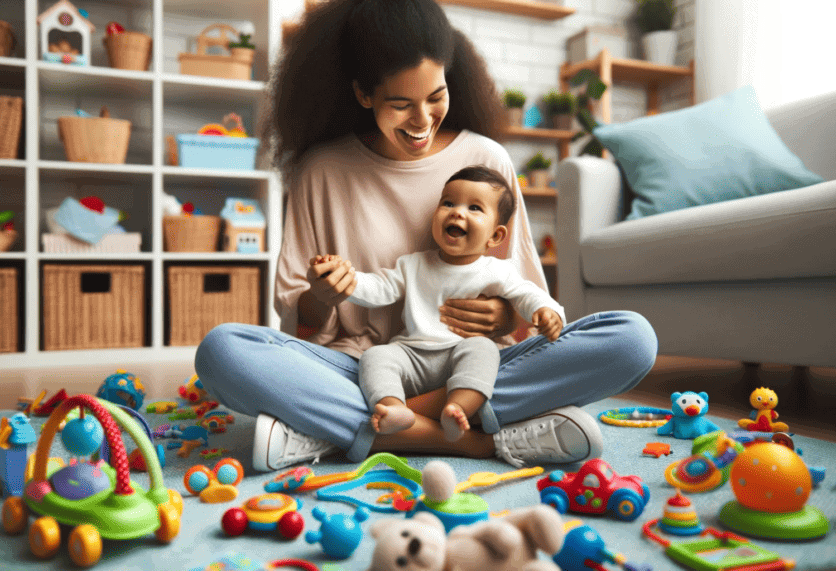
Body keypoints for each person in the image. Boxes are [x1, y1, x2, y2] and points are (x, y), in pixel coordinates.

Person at [195, 0, 658, 472]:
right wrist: (323, 294)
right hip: (363, 369)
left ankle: (352, 432)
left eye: (435, 97)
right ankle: (475, 440)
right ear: (363, 94)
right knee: (223, 351)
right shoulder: (321, 171)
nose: (422, 121)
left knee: (632, 339)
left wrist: (502, 318)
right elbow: (300, 316)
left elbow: (526, 302)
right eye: (401, 104)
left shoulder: (487, 159)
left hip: (477, 370)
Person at [323, 165, 566, 443]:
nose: (457, 212)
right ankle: (394, 409)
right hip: (412, 355)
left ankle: (458, 409)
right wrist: (347, 280)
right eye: (448, 203)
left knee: (483, 349)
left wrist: (547, 311)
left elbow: (526, 294)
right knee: (376, 357)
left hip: (459, 353)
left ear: (495, 236)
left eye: (474, 208)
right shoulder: (413, 263)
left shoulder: (496, 270)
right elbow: (380, 289)